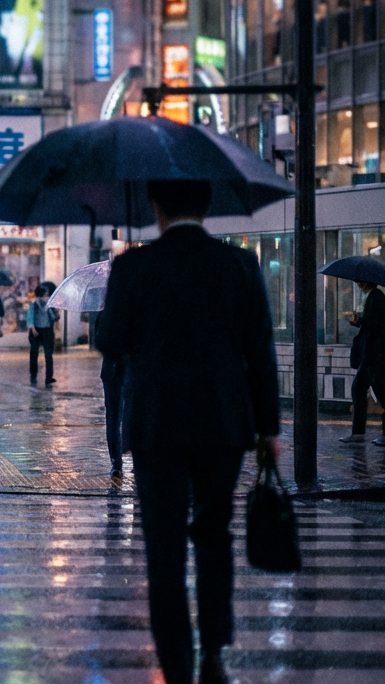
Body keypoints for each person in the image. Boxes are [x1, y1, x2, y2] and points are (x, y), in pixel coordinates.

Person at [96, 180, 279, 684]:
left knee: (164, 543)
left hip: (156, 424)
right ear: (207, 206)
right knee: (213, 535)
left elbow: (111, 341)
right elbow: (259, 351)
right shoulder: (239, 265)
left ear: (156, 207)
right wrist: (269, 429)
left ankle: (176, 661)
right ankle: (215, 651)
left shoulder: (132, 266)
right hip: (224, 422)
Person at [342, 279, 385, 445]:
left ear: (367, 282)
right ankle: (364, 433)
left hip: (375, 354)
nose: (358, 284)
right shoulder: (375, 297)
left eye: (360, 282)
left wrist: (360, 321)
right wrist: (360, 321)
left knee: (381, 393)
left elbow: (376, 326)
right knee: (362, 389)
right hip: (373, 354)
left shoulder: (376, 297)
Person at [97, 307, 125, 478]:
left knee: (114, 417)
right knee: (115, 417)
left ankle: (117, 463)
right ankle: (117, 462)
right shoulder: (140, 311)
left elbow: (99, 342)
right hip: (119, 372)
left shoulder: (105, 312)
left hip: (116, 371)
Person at [26, 284, 58, 385]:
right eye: (45, 295)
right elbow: (30, 317)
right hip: (36, 331)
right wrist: (33, 329)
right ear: (40, 295)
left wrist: (57, 313)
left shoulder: (49, 306)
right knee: (34, 354)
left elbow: (54, 318)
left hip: (47, 331)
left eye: (47, 295)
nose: (47, 297)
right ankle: (33, 375)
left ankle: (49, 377)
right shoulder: (34, 305)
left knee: (48, 355)